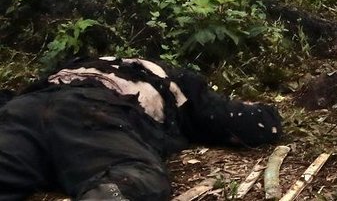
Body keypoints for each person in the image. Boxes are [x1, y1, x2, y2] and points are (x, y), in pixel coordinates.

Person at [0, 55, 283, 201]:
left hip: (25, 109)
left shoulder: (75, 66)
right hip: (95, 113)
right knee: (132, 178)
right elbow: (249, 125)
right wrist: (266, 114)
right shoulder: (176, 80)